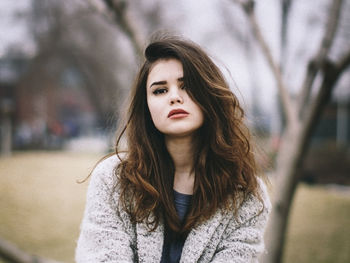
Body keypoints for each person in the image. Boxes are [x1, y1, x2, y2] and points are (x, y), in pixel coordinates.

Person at [75, 35, 271, 263]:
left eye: (186, 86)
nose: (175, 98)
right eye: (160, 91)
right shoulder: (113, 180)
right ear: (146, 108)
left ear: (210, 94)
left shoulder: (245, 195)